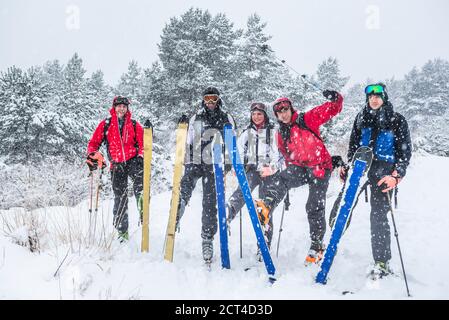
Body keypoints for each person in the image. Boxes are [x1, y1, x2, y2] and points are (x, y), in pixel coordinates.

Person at [255, 90, 343, 265]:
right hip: (301, 167)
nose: (283, 114)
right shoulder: (281, 134)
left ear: (290, 108)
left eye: (285, 109)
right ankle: (267, 206)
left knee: (313, 205)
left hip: (319, 166)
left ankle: (317, 246)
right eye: (279, 112)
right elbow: (286, 155)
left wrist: (336, 99)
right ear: (277, 115)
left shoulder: (306, 119)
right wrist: (292, 169)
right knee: (282, 178)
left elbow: (332, 109)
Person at [341, 83, 411, 278]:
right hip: (361, 169)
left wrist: (396, 176)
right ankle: (329, 248)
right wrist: (348, 167)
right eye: (370, 95)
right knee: (342, 209)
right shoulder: (361, 118)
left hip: (384, 172)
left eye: (378, 95)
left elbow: (405, 153)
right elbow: (353, 146)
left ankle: (381, 261)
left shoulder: (396, 120)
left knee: (378, 216)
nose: (374, 99)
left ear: (384, 97)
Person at [176, 87, 236, 264]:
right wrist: (184, 128)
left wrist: (228, 162)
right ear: (203, 100)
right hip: (197, 158)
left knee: (210, 202)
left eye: (213, 98)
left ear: (218, 99)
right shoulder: (197, 117)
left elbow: (232, 139)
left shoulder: (226, 116)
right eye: (207, 98)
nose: (210, 101)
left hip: (215, 163)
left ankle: (207, 238)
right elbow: (188, 140)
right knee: (187, 181)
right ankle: (179, 206)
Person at [226, 102, 283, 253]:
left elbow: (280, 155)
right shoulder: (247, 133)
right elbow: (237, 152)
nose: (256, 117)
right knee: (243, 190)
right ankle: (229, 211)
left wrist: (272, 168)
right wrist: (235, 167)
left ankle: (264, 242)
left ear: (265, 115)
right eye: (254, 114)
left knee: (264, 207)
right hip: (252, 170)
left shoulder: (273, 132)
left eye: (259, 114)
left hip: (269, 173)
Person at [87, 96, 144, 242]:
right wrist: (93, 155)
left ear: (127, 108)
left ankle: (143, 206)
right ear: (114, 107)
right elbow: (94, 143)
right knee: (120, 197)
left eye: (124, 106)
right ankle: (122, 231)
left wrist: (141, 156)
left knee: (140, 185)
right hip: (116, 165)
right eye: (119, 106)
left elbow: (144, 144)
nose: (121, 108)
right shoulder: (106, 125)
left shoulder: (133, 124)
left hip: (132, 161)